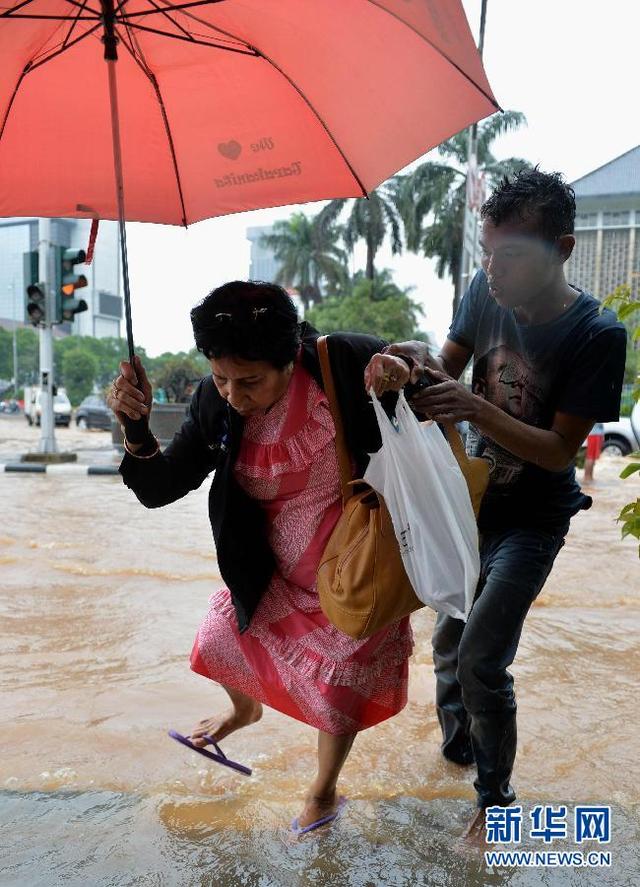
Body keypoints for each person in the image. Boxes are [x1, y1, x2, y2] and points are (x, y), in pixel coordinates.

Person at [364, 168, 627, 840]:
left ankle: (496, 802)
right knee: (449, 634)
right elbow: (442, 371)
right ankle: (458, 751)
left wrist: (477, 406)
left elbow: (557, 450)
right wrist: (407, 365)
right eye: (488, 252)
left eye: (510, 255)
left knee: (481, 652)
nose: (493, 269)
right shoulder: (482, 292)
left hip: (536, 517)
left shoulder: (594, 333)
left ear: (562, 250)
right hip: (471, 499)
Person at [107, 281, 413, 834]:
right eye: (221, 377)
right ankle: (245, 708)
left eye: (249, 381)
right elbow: (160, 487)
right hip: (269, 567)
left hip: (355, 568)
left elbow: (425, 365)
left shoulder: (340, 362)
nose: (232, 394)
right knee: (218, 636)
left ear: (289, 356)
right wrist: (135, 427)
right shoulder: (214, 404)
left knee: (340, 684)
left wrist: (402, 369)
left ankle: (322, 792)